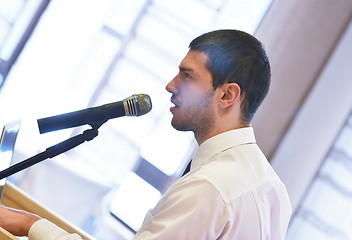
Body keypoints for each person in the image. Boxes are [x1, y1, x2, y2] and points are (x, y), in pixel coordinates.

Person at [0, 29, 292, 239]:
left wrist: (29, 225)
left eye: (187, 76)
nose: (170, 85)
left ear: (227, 95)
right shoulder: (272, 188)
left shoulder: (210, 186)